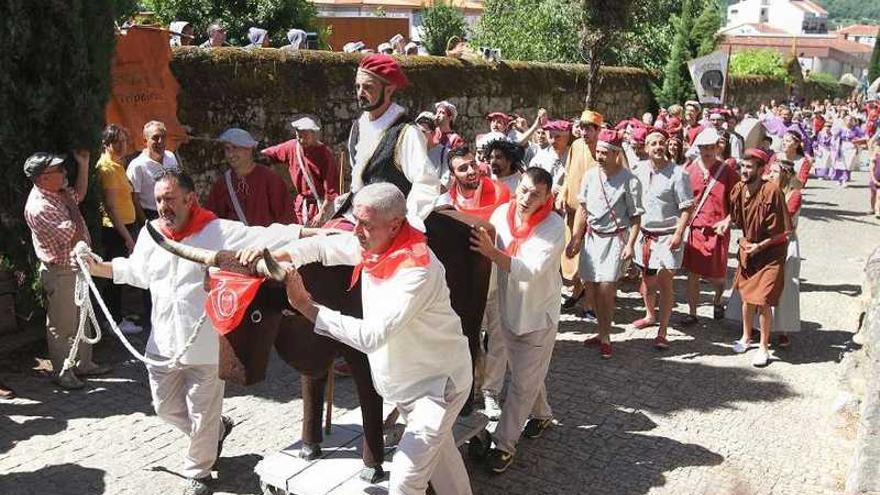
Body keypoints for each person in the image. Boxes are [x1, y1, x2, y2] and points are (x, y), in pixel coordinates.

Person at [83, 169, 313, 495]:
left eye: (170, 199)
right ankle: (216, 431)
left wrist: (308, 232)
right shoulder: (151, 233)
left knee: (202, 411)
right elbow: (136, 272)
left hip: (205, 344)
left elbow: (265, 235)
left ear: (189, 199)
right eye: (159, 199)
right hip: (162, 342)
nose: (163, 206)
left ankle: (199, 473)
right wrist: (97, 267)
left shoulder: (217, 230)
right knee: (166, 408)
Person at [272, 183, 473, 495]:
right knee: (444, 465)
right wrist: (278, 256)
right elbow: (323, 248)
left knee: (406, 481)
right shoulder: (376, 242)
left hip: (436, 389)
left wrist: (308, 308)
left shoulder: (415, 269)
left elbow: (370, 336)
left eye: (365, 225)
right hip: (408, 385)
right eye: (357, 221)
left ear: (395, 225)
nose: (357, 232)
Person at [469, 167, 564, 473]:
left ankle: (504, 444)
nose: (525, 198)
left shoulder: (553, 225)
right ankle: (542, 414)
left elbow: (529, 269)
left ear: (547, 197)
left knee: (522, 383)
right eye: (522, 189)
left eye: (535, 194)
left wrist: (491, 252)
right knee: (529, 375)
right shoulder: (500, 215)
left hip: (538, 316)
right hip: (508, 311)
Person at [24, 151, 112, 390]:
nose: (65, 173)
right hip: (62, 271)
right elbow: (72, 233)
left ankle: (84, 365)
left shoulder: (56, 192)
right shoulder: (40, 206)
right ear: (43, 178)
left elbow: (79, 194)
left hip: (76, 267)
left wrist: (84, 165)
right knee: (62, 326)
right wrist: (72, 204)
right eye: (59, 170)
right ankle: (63, 373)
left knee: (82, 320)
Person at [567, 130, 643, 359]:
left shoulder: (630, 180)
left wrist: (630, 245)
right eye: (597, 152)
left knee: (606, 289)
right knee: (591, 289)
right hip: (592, 238)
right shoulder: (591, 176)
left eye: (604, 152)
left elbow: (636, 217)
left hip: (614, 239)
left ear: (616, 153)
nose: (599, 156)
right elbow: (583, 209)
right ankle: (600, 332)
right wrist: (576, 238)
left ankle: (607, 336)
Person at [343, 54, 441, 229]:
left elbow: (426, 182)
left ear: (389, 90)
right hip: (357, 217)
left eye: (368, 87)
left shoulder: (406, 132)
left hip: (388, 226)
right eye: (358, 87)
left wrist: (406, 223)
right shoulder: (357, 128)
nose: (360, 93)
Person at [632, 129, 694, 348]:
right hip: (645, 236)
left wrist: (678, 234)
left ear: (667, 146)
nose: (658, 146)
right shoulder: (638, 169)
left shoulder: (679, 174)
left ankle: (663, 331)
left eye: (661, 143)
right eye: (653, 143)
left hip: (668, 236)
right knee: (647, 281)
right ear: (646, 148)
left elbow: (687, 208)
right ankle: (650, 315)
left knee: (665, 281)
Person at [729, 149, 791, 367]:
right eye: (743, 166)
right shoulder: (738, 189)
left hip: (771, 254)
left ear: (761, 169)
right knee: (746, 297)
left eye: (749, 167)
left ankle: (764, 347)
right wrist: (725, 223)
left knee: (763, 301)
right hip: (749, 251)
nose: (744, 171)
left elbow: (783, 233)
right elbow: (737, 219)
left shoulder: (772, 192)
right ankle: (746, 337)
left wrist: (759, 246)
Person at [682, 127, 736, 324]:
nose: (707, 151)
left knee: (718, 275)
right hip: (695, 228)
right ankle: (693, 313)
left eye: (711, 147)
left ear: (717, 148)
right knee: (693, 273)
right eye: (704, 147)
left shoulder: (728, 172)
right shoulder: (688, 170)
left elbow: (737, 202)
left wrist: (727, 220)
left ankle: (718, 300)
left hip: (718, 229)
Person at [96, 124, 142, 334]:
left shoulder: (117, 165)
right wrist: (127, 237)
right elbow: (111, 208)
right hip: (116, 230)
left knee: (119, 273)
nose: (123, 146)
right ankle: (113, 321)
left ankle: (118, 315)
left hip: (124, 227)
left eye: (125, 141)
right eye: (118, 142)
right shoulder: (107, 168)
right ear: (106, 144)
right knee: (115, 274)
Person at [557, 110, 603, 315]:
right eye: (582, 128)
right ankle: (577, 292)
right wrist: (562, 194)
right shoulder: (575, 146)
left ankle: (591, 304)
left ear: (598, 130)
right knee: (572, 256)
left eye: (588, 129)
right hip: (573, 211)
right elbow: (568, 173)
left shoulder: (607, 150)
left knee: (591, 260)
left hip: (596, 216)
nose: (584, 132)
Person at [205, 128, 296, 226]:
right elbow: (213, 221)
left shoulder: (270, 179)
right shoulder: (222, 184)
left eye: (235, 148)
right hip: (237, 240)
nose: (230, 155)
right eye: (227, 149)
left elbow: (286, 218)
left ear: (249, 149)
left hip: (266, 240)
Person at [261, 116, 338, 226]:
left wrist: (322, 213)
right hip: (301, 206)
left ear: (314, 134)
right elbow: (270, 153)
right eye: (299, 136)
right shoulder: (292, 147)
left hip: (320, 206)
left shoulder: (325, 155)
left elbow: (331, 191)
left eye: (305, 137)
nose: (301, 140)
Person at [435, 145, 510, 221]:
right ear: (453, 175)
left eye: (473, 165)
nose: (472, 171)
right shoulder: (447, 203)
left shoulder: (499, 193)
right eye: (463, 169)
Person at [127, 120, 180, 221]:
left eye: (163, 137)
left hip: (172, 212)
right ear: (145, 141)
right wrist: (146, 223)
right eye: (155, 138)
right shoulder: (137, 166)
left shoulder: (171, 157)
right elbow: (134, 199)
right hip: (150, 214)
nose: (160, 141)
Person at [529, 120, 571, 188]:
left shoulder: (573, 155)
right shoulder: (540, 157)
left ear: (567, 138)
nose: (553, 141)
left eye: (558, 137)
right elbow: (530, 181)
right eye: (551, 136)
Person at [831, 115, 868, 186]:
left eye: (850, 120)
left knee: (848, 164)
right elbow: (834, 136)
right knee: (840, 163)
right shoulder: (841, 128)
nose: (849, 122)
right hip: (842, 146)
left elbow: (863, 136)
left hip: (851, 146)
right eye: (847, 120)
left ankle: (845, 179)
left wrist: (858, 140)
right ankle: (839, 179)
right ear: (844, 121)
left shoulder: (856, 129)